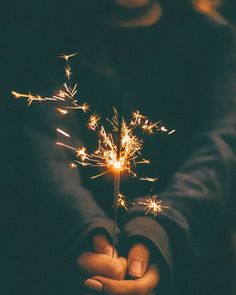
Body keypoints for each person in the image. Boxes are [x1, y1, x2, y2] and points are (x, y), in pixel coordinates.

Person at [1, 0, 235, 294]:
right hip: (62, 270)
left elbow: (220, 148)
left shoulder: (214, 41)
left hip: (196, 274)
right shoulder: (44, 38)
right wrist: (86, 229)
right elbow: (43, 145)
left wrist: (159, 227)